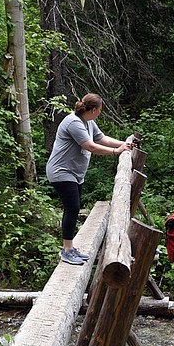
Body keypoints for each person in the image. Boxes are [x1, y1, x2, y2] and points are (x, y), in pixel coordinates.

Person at [45, 93, 133, 265]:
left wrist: (123, 144)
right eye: (100, 110)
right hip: (61, 172)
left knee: (73, 208)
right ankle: (67, 250)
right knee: (73, 208)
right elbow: (90, 146)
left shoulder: (88, 122)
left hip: (75, 174)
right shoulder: (74, 123)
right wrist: (117, 151)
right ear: (93, 110)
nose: (100, 112)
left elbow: (101, 138)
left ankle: (69, 247)